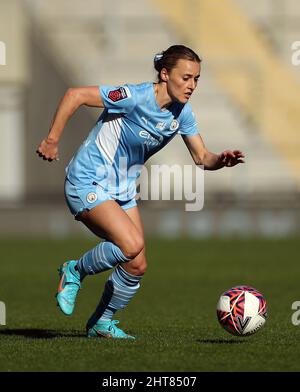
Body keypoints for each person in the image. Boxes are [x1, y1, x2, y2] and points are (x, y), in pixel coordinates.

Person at [36, 44, 244, 340]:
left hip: (122, 191)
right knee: (130, 244)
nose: (192, 85)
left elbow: (201, 157)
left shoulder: (182, 114)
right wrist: (52, 139)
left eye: (196, 79)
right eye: (186, 77)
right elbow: (76, 95)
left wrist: (220, 161)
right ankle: (74, 271)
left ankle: (101, 323)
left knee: (136, 264)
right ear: (164, 74)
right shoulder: (134, 97)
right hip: (87, 180)